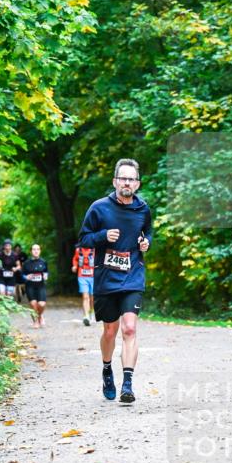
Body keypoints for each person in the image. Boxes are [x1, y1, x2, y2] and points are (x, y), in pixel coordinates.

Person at [77, 158, 152, 404]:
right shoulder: (99, 208)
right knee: (110, 331)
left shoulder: (143, 209)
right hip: (106, 278)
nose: (126, 183)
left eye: (131, 179)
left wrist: (145, 243)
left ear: (137, 183)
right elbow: (83, 240)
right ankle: (107, 369)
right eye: (123, 178)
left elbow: (147, 232)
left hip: (133, 276)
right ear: (115, 181)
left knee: (130, 328)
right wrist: (102, 236)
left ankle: (127, 383)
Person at [21, 244, 49, 328]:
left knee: (42, 304)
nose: (36, 251)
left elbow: (46, 272)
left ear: (40, 251)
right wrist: (26, 277)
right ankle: (36, 321)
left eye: (37, 249)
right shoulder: (26, 263)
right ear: (31, 251)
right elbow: (22, 275)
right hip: (30, 286)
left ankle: (40, 316)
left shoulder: (43, 262)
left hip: (41, 285)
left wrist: (46, 276)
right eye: (34, 249)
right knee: (33, 304)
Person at [72, 242, 96, 326]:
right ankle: (86, 316)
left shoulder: (94, 250)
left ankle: (92, 313)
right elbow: (75, 259)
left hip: (93, 277)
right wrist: (74, 266)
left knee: (92, 297)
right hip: (82, 276)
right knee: (85, 297)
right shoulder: (78, 250)